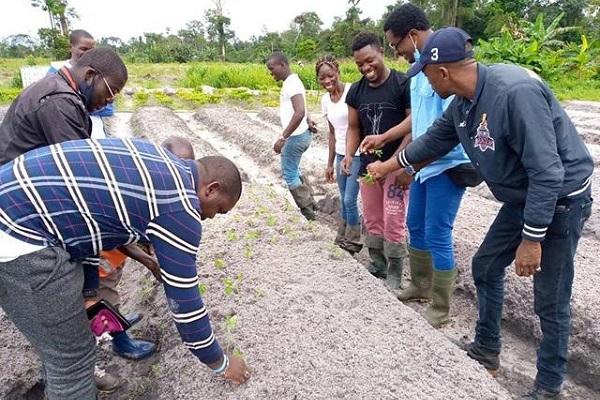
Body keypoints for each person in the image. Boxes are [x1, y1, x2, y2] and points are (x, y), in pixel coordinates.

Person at [367, 27, 593, 399]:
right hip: (524, 196)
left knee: (550, 299)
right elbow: (434, 141)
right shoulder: (464, 104)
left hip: (560, 199)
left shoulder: (514, 93)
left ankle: (549, 387)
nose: (423, 79)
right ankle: (486, 351)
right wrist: (391, 164)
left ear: (442, 72)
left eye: (425, 72)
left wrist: (532, 239)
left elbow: (548, 172)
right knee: (486, 265)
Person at [0, 138, 251, 400]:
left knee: (61, 347)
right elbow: (184, 303)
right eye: (219, 210)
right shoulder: (181, 206)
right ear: (211, 189)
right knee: (73, 361)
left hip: (16, 206)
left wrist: (89, 292)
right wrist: (219, 362)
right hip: (18, 234)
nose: (210, 217)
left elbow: (87, 224)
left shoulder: (158, 160)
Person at [0, 46, 150, 391]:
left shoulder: (63, 96)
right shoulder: (59, 101)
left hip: (28, 217)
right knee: (69, 348)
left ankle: (87, 343)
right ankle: (80, 365)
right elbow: (80, 185)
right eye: (109, 92)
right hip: (24, 227)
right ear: (89, 75)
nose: (108, 102)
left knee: (79, 297)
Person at [364, 3, 471, 327]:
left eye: (396, 45)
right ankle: (420, 286)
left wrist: (403, 165)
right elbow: (418, 123)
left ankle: (440, 306)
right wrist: (385, 138)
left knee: (438, 231)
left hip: (446, 163)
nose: (395, 52)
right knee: (416, 223)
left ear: (412, 35)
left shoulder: (445, 67)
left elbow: (447, 131)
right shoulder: (417, 72)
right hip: (422, 163)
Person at [342, 31, 411, 290]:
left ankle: (395, 269)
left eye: (369, 60)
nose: (365, 68)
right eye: (360, 64)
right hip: (368, 166)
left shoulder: (403, 84)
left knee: (393, 217)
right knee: (372, 216)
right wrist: (349, 155)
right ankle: (378, 262)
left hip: (396, 164)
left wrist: (395, 161)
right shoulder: (356, 91)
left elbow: (412, 128)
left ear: (382, 52)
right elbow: (353, 128)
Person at [316, 55, 362, 254]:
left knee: (350, 199)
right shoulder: (325, 100)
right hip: (340, 155)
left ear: (337, 72)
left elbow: (360, 125)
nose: (327, 81)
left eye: (330, 75)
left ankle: (352, 240)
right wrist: (329, 163)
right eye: (322, 78)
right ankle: (342, 235)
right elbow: (333, 133)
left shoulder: (352, 91)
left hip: (358, 154)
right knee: (343, 198)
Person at [266, 51, 318, 220]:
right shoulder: (292, 82)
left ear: (282, 65)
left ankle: (308, 212)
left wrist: (282, 138)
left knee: (289, 173)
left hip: (295, 137)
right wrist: (309, 119)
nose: (271, 72)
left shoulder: (292, 84)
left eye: (272, 68)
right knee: (294, 169)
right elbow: (302, 108)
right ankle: (311, 203)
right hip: (300, 134)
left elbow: (299, 111)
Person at [48, 29, 114, 139]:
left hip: (97, 133)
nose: (88, 54)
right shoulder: (55, 72)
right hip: (68, 134)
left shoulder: (98, 72)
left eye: (91, 50)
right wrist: (91, 106)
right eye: (83, 49)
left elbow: (109, 109)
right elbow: (56, 109)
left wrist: (76, 109)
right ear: (71, 47)